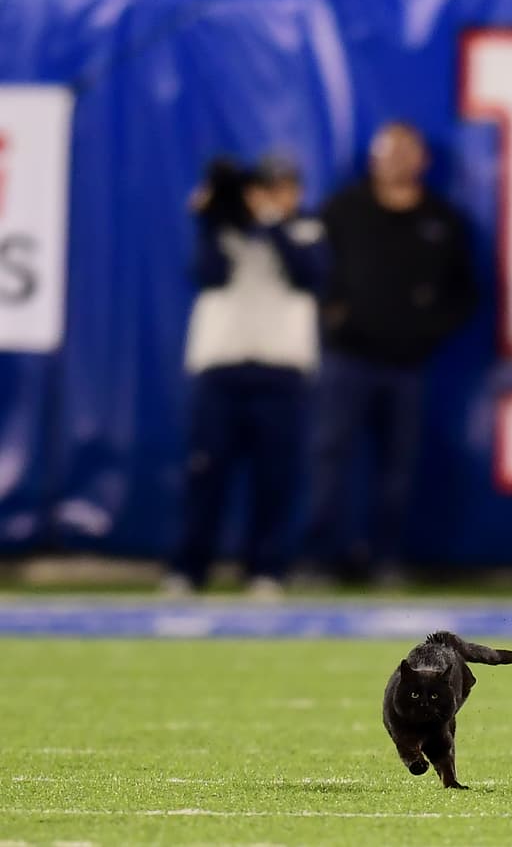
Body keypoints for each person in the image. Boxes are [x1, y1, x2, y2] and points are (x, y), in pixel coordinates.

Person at [304, 122, 476, 586]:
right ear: (373, 158)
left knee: (398, 466)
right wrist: (333, 314)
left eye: (407, 150)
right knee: (330, 457)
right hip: (348, 357)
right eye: (389, 150)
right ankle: (320, 558)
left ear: (423, 160)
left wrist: (427, 330)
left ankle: (384, 558)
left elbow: (465, 292)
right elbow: (310, 271)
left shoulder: (442, 218)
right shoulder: (344, 208)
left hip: (408, 363)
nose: (397, 158)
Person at [165, 156, 328, 597]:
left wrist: (271, 221)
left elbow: (308, 274)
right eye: (264, 189)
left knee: (275, 477)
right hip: (222, 367)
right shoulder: (223, 229)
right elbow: (209, 275)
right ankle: (190, 568)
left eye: (282, 188)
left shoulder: (307, 229)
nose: (272, 197)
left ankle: (266, 568)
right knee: (206, 472)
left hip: (282, 370)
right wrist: (211, 221)